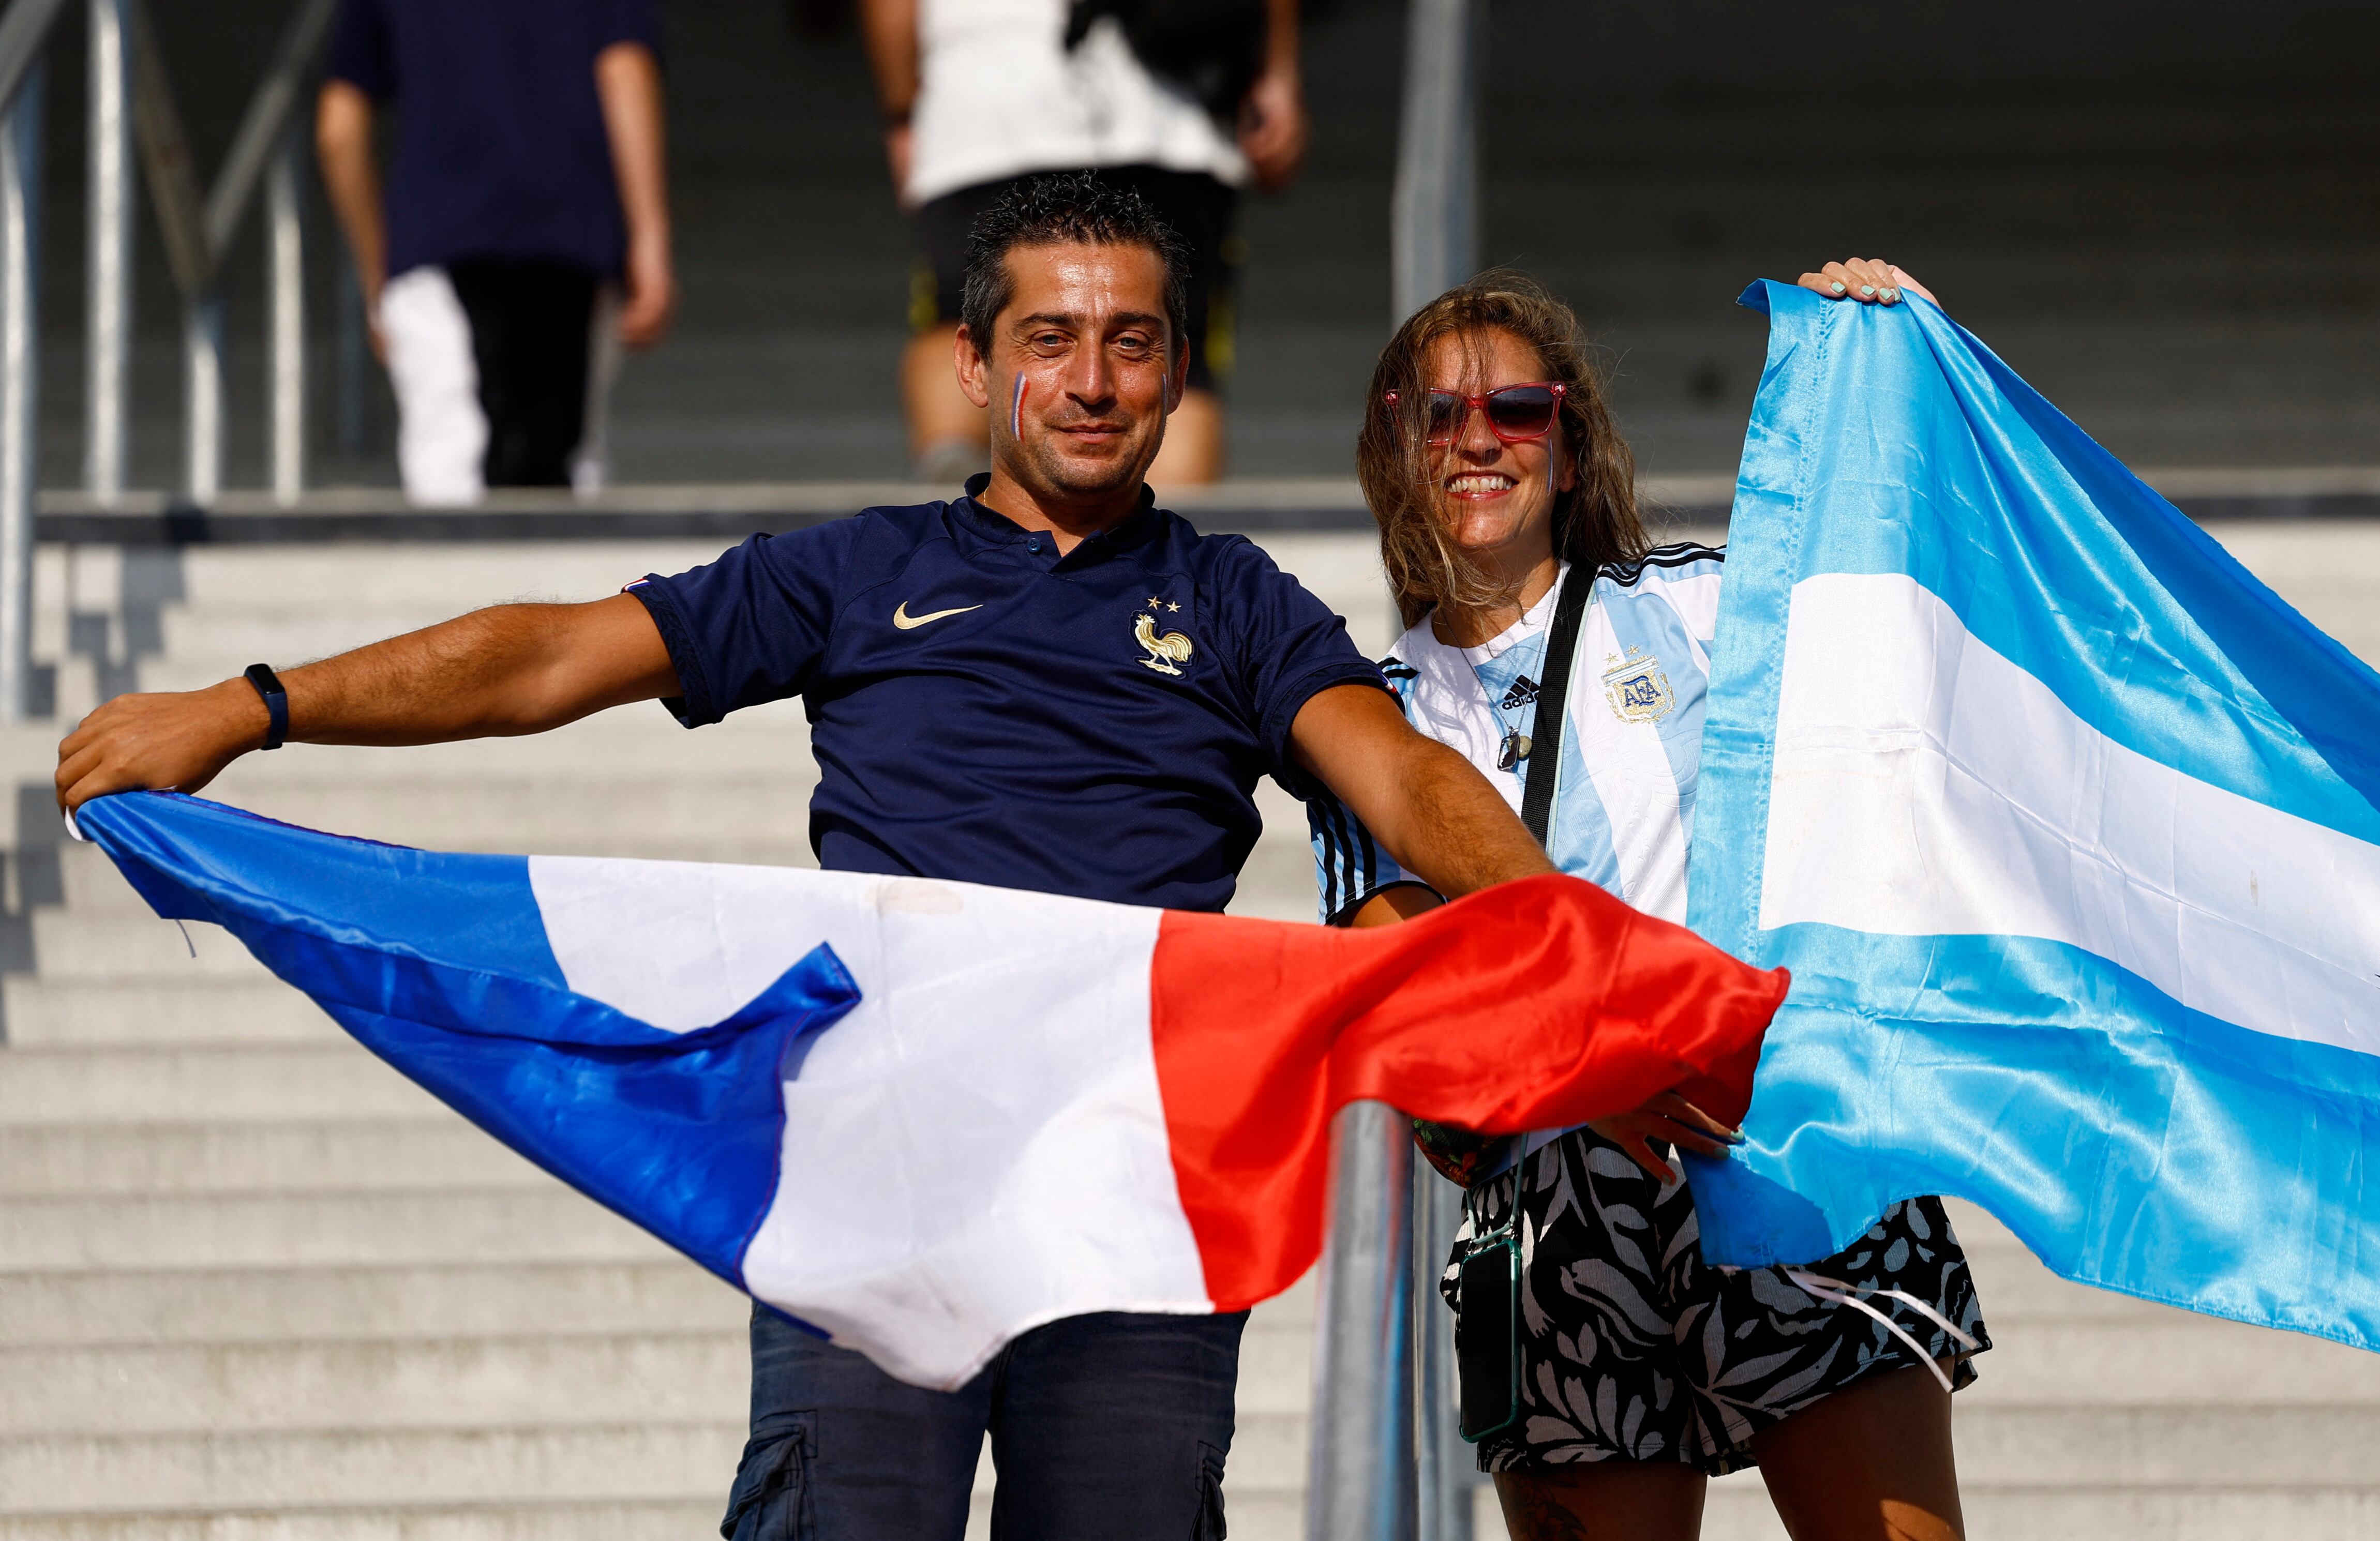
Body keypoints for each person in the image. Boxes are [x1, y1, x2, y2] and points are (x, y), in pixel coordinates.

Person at [55, 176, 1577, 1541]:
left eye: (1130, 342)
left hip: (1128, 1181)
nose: (1091, 378)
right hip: (874, 1168)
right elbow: (546, 662)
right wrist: (254, 706)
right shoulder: (855, 574)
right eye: (1047, 338)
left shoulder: (1240, 604)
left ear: (1179, 373)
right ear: (973, 366)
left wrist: (1553, 930)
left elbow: (1402, 779)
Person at [1308, 261, 1990, 1541]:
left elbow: (1905, 577)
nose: (1475, 440)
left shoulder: (1704, 599)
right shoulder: (1360, 709)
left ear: (1567, 450)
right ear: (1389, 447)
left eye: (1515, 410)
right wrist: (1580, 1065)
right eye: (1434, 413)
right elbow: (1390, 979)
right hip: (1553, 1197)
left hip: (1774, 1132)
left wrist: (1887, 343)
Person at [861, 0, 1306, 485]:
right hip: (1169, 111)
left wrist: (903, 110)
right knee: (1162, 341)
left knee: (960, 314)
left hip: (985, 101)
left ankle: (953, 488)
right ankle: (1165, 540)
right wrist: (1275, 74)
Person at [316, 0, 677, 505]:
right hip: (572, 237)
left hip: (436, 244)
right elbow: (624, 71)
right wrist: (649, 239)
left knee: (450, 475)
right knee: (567, 476)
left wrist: (379, 278)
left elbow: (339, 128)